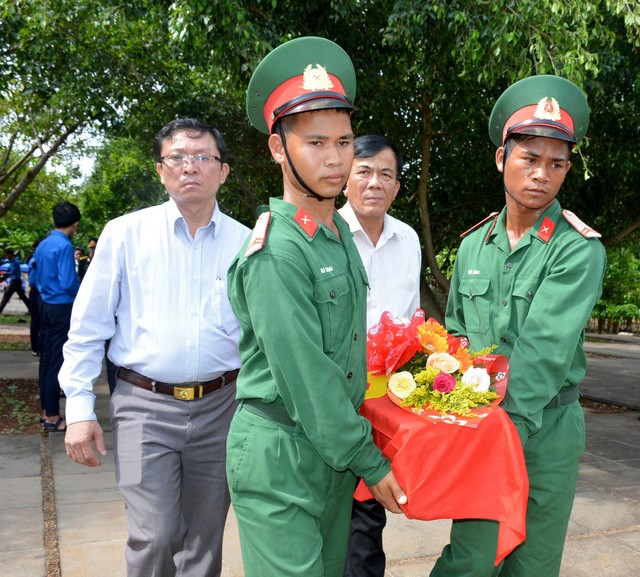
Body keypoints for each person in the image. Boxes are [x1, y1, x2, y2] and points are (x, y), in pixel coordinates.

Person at [226, 37, 407, 577]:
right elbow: (307, 376)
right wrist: (370, 461)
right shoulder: (275, 249)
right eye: (315, 143)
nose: (335, 159)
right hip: (280, 451)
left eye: (345, 142)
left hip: (331, 453)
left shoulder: (335, 236)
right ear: (279, 149)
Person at [431, 75, 606, 577]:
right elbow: (459, 337)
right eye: (530, 158)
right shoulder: (472, 245)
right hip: (483, 426)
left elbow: (545, 351)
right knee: (470, 559)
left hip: (546, 429)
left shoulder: (577, 248)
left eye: (557, 164)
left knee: (532, 565)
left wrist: (495, 428)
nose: (542, 175)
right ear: (501, 159)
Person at [59, 117, 249, 577]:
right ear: (161, 171)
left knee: (205, 541)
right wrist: (80, 411)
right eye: (177, 158)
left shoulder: (246, 242)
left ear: (222, 171)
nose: (190, 167)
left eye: (203, 157)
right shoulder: (125, 234)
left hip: (222, 405)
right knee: (155, 533)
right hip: (143, 406)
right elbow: (87, 329)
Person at [339, 135, 421, 577]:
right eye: (364, 170)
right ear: (344, 178)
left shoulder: (407, 239)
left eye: (386, 174)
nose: (374, 182)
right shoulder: (325, 235)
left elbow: (409, 321)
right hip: (334, 398)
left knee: (369, 518)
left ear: (397, 187)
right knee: (336, 515)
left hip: (385, 404)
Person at [35, 202, 82, 432]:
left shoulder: (43, 244)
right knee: (57, 361)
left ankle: (45, 409)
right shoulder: (64, 246)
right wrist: (84, 293)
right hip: (61, 306)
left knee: (46, 360)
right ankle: (53, 416)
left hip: (44, 304)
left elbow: (34, 277)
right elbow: (68, 282)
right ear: (75, 224)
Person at [0, 249, 30, 314]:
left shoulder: (15, 262)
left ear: (10, 255)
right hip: (14, 281)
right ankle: (31, 310)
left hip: (15, 282)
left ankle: (31, 310)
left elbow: (11, 272)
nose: (7, 257)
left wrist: (3, 276)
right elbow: (9, 272)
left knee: (7, 296)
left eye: (7, 255)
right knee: (21, 297)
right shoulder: (12, 262)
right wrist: (3, 278)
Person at [27, 241, 42, 355]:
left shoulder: (36, 259)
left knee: (39, 321)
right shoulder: (35, 260)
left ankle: (38, 346)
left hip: (39, 291)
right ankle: (36, 347)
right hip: (37, 291)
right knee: (36, 320)